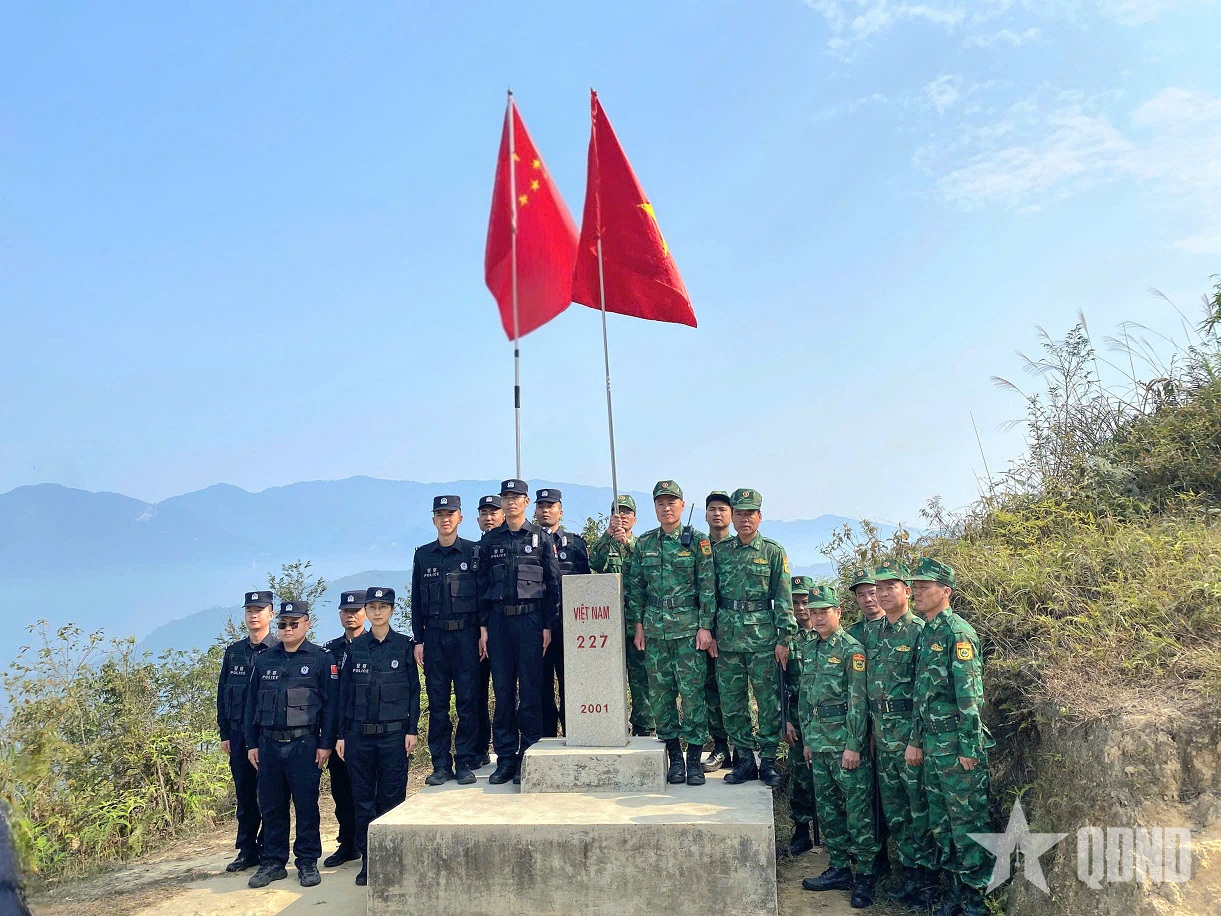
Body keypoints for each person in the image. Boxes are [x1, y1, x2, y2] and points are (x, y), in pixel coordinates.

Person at [905, 559, 992, 916]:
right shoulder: (927, 632)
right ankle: (954, 893)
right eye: (916, 585)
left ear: (946, 592)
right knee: (943, 825)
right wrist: (916, 740)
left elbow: (970, 696)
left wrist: (969, 748)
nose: (918, 592)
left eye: (925, 586)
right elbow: (921, 696)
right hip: (934, 747)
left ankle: (977, 898)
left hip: (958, 747)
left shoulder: (958, 632)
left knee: (968, 823)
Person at [625, 481, 715, 786]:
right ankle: (674, 758)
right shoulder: (645, 543)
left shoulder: (698, 543)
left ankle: (694, 761)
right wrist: (638, 625)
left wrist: (705, 626)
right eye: (661, 503)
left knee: (692, 696)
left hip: (689, 630)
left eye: (672, 502)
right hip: (655, 631)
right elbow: (636, 587)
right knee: (661, 698)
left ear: (681, 504)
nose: (666, 508)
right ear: (654, 508)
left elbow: (707, 586)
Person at [243, 600, 337, 889]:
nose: (286, 628)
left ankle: (307, 861)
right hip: (269, 744)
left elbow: (331, 706)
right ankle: (273, 861)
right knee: (271, 806)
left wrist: (326, 744)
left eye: (293, 623)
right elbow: (251, 705)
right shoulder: (265, 659)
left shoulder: (321, 658)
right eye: (282, 624)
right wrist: (251, 743)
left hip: (305, 744)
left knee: (306, 805)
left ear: (307, 624)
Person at [476, 478, 562, 785]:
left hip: (530, 623)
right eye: (506, 497)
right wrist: (484, 627)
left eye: (516, 497)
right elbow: (481, 586)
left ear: (526, 502)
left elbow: (553, 586)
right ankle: (506, 759)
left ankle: (530, 754)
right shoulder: (491, 541)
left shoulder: (540, 538)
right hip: (499, 624)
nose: (511, 501)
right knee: (502, 693)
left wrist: (549, 626)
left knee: (531, 692)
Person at [798, 586, 880, 908]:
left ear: (838, 613)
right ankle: (839, 868)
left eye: (824, 611)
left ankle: (867, 876)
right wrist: (807, 739)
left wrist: (854, 744)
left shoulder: (852, 650)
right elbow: (806, 698)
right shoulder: (811, 649)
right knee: (829, 811)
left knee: (858, 812)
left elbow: (858, 702)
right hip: (818, 744)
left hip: (845, 745)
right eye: (813, 612)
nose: (817, 617)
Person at [710, 488, 796, 787]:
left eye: (750, 513)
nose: (745, 519)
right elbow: (711, 595)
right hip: (728, 639)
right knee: (733, 702)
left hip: (763, 640)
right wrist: (709, 631)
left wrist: (784, 638)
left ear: (759, 516)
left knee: (768, 702)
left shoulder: (773, 551)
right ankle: (745, 759)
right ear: (732, 517)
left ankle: (769, 760)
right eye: (740, 513)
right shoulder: (720, 553)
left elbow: (784, 597)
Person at [337, 587, 419, 886]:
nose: (377, 612)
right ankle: (368, 861)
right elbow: (344, 694)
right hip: (358, 736)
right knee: (363, 801)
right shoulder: (354, 648)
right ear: (366, 612)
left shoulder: (404, 645)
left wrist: (412, 730)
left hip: (394, 736)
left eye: (383, 606)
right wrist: (341, 735)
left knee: (392, 799)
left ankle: (392, 858)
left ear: (392, 610)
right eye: (372, 607)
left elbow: (413, 691)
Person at [869, 561, 939, 907]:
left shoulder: (920, 632)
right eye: (879, 588)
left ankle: (926, 882)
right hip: (883, 737)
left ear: (906, 592)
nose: (882, 594)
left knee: (918, 810)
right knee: (896, 810)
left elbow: (923, 694)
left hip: (909, 737)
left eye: (890, 587)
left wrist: (916, 739)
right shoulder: (876, 632)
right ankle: (910, 874)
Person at [410, 496, 482, 787]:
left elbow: (480, 598)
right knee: (438, 704)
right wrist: (418, 639)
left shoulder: (472, 551)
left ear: (460, 518)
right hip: (435, 637)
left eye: (450, 514)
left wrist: (482, 633)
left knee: (467, 701)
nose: (445, 519)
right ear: (434, 520)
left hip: (466, 636)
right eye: (440, 514)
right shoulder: (423, 555)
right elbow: (416, 600)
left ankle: (464, 760)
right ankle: (440, 763)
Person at [216, 590, 278, 874]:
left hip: (267, 736)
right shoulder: (234, 652)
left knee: (269, 795)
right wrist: (225, 733)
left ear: (271, 614)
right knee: (244, 796)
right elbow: (222, 694)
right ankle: (246, 850)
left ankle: (269, 850)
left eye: (259, 610)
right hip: (239, 736)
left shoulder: (279, 650)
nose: (254, 615)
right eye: (249, 610)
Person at [589, 494, 653, 736]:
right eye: (617, 512)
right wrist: (608, 536)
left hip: (636, 624)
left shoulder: (642, 546)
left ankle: (644, 727)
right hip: (609, 625)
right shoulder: (606, 544)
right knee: (610, 679)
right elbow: (594, 562)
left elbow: (646, 569)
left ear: (634, 519)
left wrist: (627, 544)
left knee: (640, 680)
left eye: (626, 513)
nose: (622, 516)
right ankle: (612, 725)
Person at [534, 487, 589, 738]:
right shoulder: (528, 543)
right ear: (535, 511)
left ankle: (574, 734)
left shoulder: (576, 544)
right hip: (537, 626)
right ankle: (546, 739)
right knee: (541, 685)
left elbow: (587, 586)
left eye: (551, 505)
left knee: (572, 685)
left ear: (560, 511)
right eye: (541, 506)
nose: (546, 510)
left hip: (569, 628)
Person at [322, 591, 367, 869]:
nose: (350, 615)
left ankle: (368, 845)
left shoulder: (375, 645)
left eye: (356, 610)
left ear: (365, 613)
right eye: (345, 611)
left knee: (366, 792)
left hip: (366, 730)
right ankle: (348, 844)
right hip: (338, 730)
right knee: (341, 791)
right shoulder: (329, 651)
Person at [783, 576, 818, 856]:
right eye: (795, 602)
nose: (801, 608)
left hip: (826, 717)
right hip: (795, 715)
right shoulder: (785, 638)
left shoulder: (827, 634)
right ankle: (802, 830)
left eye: (805, 602)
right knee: (800, 775)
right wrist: (785, 719)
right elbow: (775, 684)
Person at [701, 490, 734, 771]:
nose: (717, 513)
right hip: (704, 632)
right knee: (711, 691)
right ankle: (720, 748)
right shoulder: (696, 547)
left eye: (723, 509)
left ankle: (744, 751)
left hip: (735, 635)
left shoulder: (739, 547)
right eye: (712, 509)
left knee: (735, 694)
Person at [474, 495, 505, 766]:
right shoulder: (471, 550)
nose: (489, 517)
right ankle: (481, 748)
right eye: (484, 513)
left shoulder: (511, 545)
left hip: (504, 629)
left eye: (493, 512)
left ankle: (511, 748)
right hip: (472, 634)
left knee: (507, 690)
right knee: (477, 692)